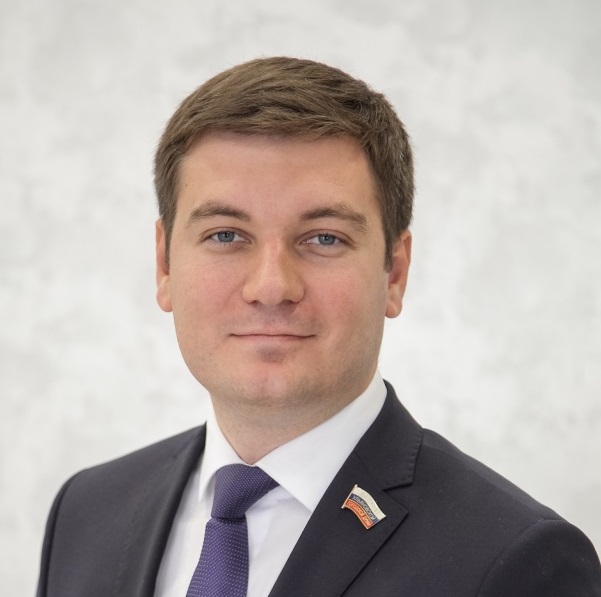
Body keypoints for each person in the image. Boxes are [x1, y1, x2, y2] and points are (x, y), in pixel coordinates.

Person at [36, 56, 601, 597]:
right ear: (164, 264)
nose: (271, 287)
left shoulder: (516, 562)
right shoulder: (86, 513)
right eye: (226, 235)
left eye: (325, 238)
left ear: (395, 273)